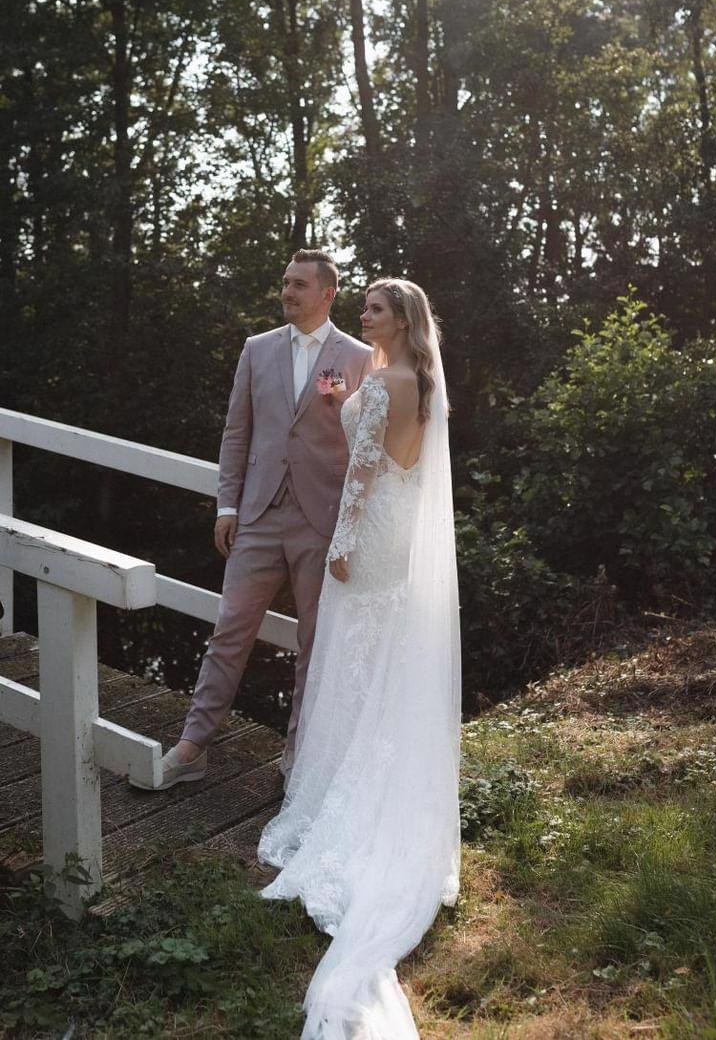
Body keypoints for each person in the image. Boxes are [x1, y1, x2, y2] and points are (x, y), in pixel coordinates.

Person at [257, 278, 462, 1040]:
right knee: (376, 666)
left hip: (370, 531)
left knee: (351, 660)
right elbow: (393, 452)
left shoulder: (388, 382)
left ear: (400, 319)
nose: (363, 315)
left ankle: (340, 795)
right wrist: (347, 400)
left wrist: (341, 544)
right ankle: (367, 771)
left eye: (374, 308)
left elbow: (364, 470)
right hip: (401, 531)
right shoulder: (414, 379)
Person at [131, 249, 372, 791]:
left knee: (316, 643)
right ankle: (192, 747)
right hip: (258, 516)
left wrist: (353, 526)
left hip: (322, 519)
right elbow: (236, 432)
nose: (287, 292)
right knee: (229, 630)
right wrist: (227, 505)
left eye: (299, 284)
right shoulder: (257, 349)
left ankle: (299, 756)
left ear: (327, 293)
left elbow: (366, 445)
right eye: (285, 282)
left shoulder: (358, 357)